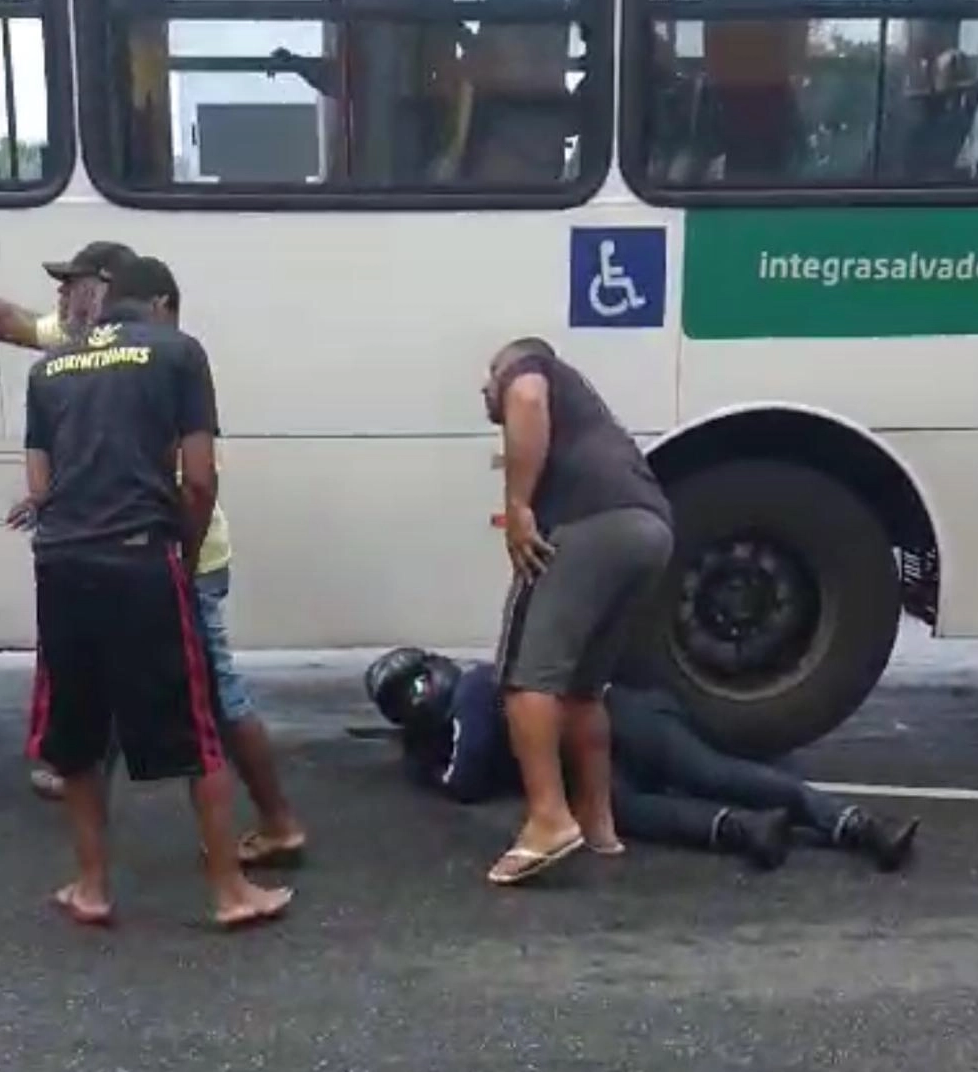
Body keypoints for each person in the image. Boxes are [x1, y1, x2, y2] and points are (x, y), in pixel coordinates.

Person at [0, 247, 307, 868]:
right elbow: (2, 320)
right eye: (63, 288)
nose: (64, 299)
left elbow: (193, 482)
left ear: (113, 290)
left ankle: (274, 823)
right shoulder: (76, 348)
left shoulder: (160, 357)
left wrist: (177, 550)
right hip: (131, 554)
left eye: (75, 285)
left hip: (176, 553)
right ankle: (93, 776)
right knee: (111, 680)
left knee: (215, 697)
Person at [22, 254, 293, 928]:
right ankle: (230, 891)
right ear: (160, 305)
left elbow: (38, 489)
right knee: (195, 726)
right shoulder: (177, 352)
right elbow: (198, 478)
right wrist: (188, 547)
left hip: (60, 566)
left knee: (77, 735)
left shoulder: (47, 369)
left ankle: (91, 887)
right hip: (140, 558)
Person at [366, 649, 921, 874]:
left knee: (709, 774)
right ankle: (747, 830)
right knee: (620, 808)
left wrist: (421, 764)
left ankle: (859, 826)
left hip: (623, 718)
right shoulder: (465, 698)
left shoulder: (473, 692)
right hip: (597, 751)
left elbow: (464, 779)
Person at [484, 336, 675, 886]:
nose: (484, 385)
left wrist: (517, 506)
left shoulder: (528, 365)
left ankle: (549, 819)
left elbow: (524, 395)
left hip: (590, 523)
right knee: (582, 689)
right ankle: (597, 824)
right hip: (651, 529)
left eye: (487, 374)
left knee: (526, 678)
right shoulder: (589, 413)